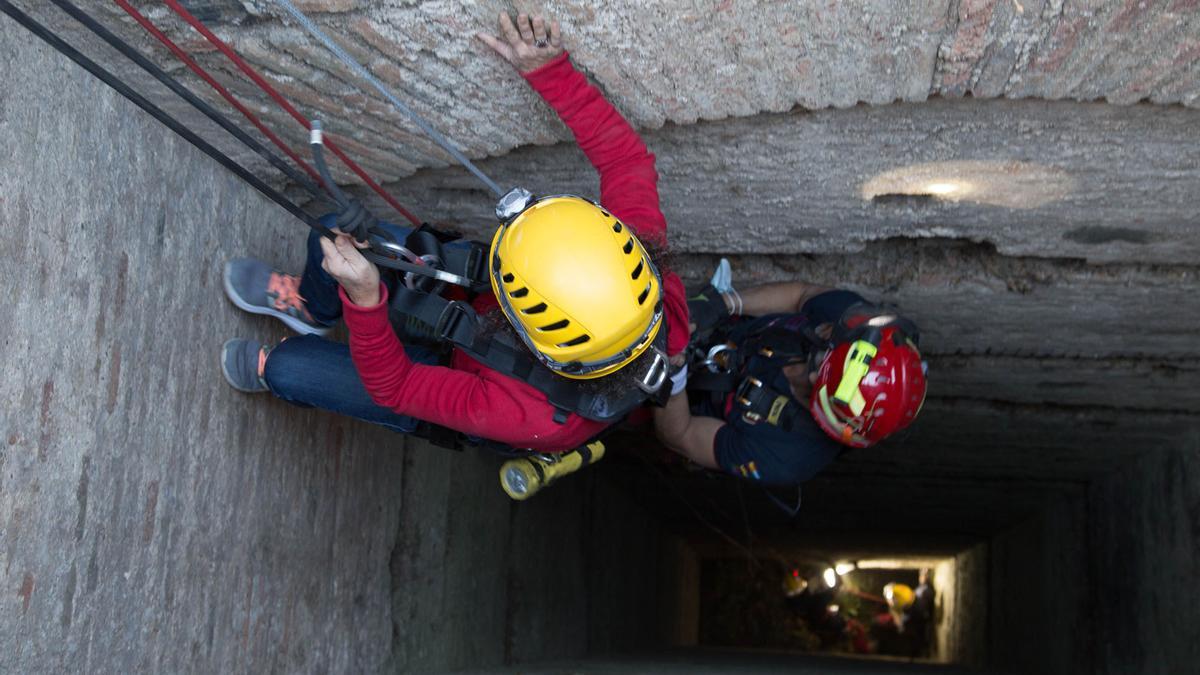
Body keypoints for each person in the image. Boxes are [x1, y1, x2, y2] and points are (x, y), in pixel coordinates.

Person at [218, 12, 688, 453]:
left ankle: (288, 360)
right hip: (475, 306)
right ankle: (315, 309)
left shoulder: (533, 417)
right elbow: (626, 161)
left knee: (290, 367)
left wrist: (365, 301)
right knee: (332, 233)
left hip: (456, 380)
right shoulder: (645, 278)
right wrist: (551, 72)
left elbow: (396, 386)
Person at [654, 262, 926, 484]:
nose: (826, 327)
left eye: (826, 340)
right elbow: (802, 295)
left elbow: (681, 435)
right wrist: (724, 304)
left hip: (673, 400)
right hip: (725, 337)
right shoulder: (857, 334)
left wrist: (670, 373)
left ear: (817, 380)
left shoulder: (785, 456)